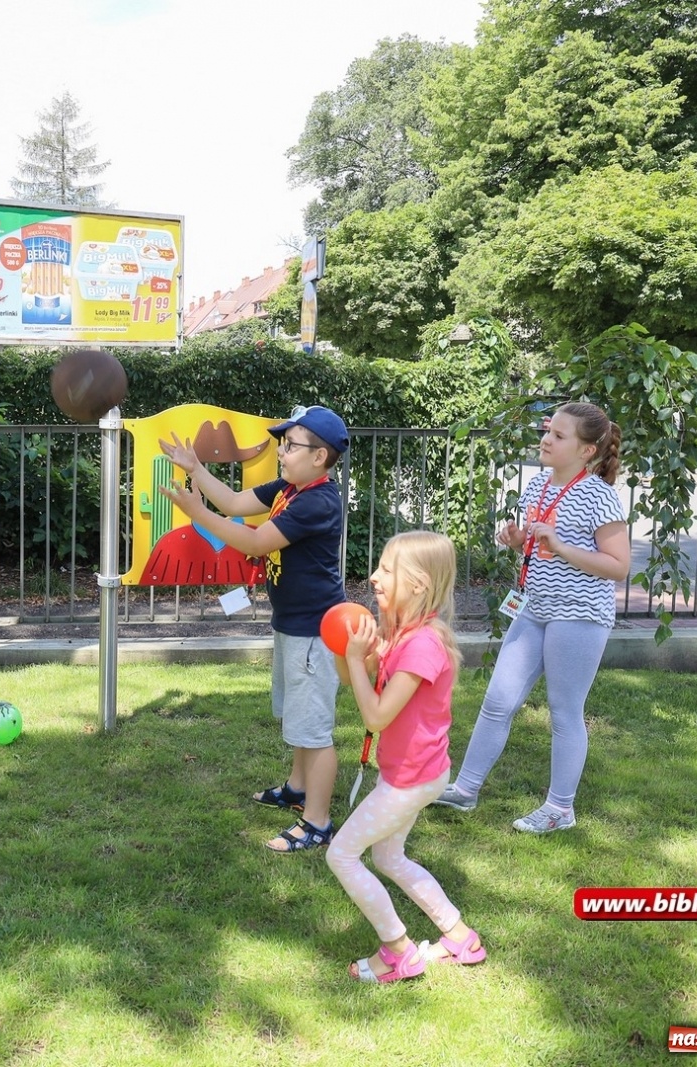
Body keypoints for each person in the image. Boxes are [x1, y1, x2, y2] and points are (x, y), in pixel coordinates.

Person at [434, 401, 630, 832]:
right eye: (548, 431)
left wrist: (561, 546)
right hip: (535, 609)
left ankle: (560, 809)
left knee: (564, 711)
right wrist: (518, 539)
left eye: (559, 436)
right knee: (498, 701)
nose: (546, 440)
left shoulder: (600, 496)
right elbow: (535, 547)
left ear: (586, 450)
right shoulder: (538, 485)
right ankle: (465, 790)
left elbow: (618, 566)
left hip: (578, 616)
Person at [161, 405, 348, 852]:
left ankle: (317, 823)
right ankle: (297, 790)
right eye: (283, 442)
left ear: (320, 456)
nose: (282, 452)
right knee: (298, 718)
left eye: (291, 445)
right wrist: (197, 470)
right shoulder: (290, 488)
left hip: (314, 632)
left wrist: (196, 513)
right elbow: (235, 503)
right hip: (293, 625)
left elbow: (256, 540)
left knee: (314, 730)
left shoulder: (318, 500)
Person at [329, 530, 487, 982]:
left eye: (386, 570)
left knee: (341, 855)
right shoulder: (403, 632)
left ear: (417, 584)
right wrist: (349, 651)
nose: (374, 576)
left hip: (410, 780)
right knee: (388, 858)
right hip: (412, 773)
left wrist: (359, 663)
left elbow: (376, 716)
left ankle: (397, 952)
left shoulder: (423, 645)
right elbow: (352, 678)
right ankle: (460, 937)